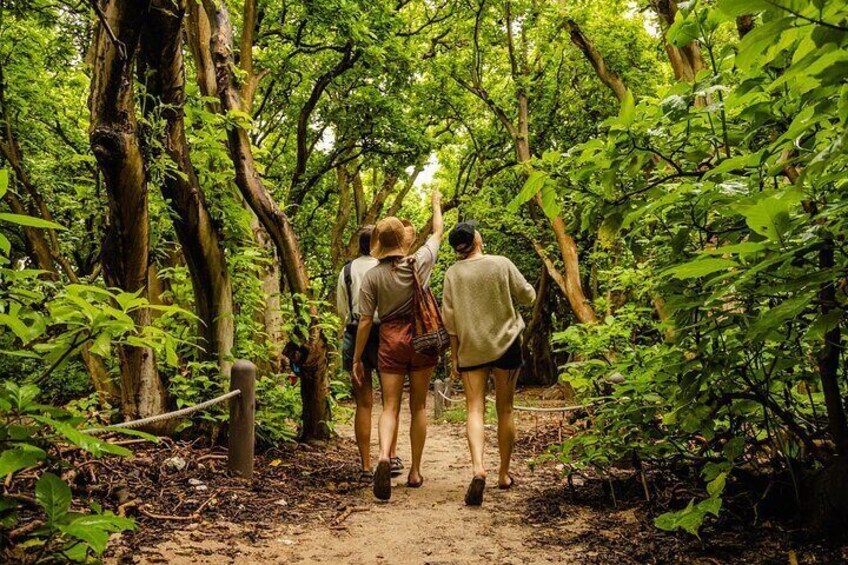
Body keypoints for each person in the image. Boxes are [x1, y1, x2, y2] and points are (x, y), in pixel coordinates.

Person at [353, 190, 444, 501]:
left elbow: (365, 321)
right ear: (403, 242)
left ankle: (382, 457)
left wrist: (356, 358)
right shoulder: (420, 262)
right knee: (418, 405)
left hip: (390, 339)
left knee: (389, 405)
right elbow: (438, 231)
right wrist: (435, 204)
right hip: (422, 338)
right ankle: (415, 471)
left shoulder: (373, 277)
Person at [441, 221, 536, 506]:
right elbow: (528, 297)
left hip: (471, 349)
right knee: (505, 409)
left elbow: (450, 321)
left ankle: (478, 468)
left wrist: (455, 355)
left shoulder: (452, 274)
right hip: (507, 345)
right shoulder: (501, 264)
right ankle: (504, 474)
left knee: (474, 409)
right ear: (477, 239)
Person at [336, 226, 401, 483]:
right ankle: (391, 455)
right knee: (390, 401)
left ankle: (365, 465)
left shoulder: (347, 270)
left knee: (363, 403)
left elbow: (343, 308)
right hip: (385, 333)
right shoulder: (387, 267)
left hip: (355, 333)